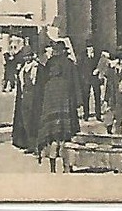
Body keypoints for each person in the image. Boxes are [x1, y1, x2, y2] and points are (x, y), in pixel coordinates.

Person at [35, 40, 81, 171]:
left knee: (53, 139)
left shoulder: (50, 64)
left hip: (51, 107)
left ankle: (53, 168)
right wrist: (79, 102)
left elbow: (42, 83)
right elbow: (76, 83)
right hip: (68, 105)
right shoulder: (70, 64)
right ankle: (67, 167)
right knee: (67, 137)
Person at [11, 47, 40, 152]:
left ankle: (35, 145)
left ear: (32, 56)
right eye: (25, 56)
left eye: (28, 56)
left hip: (32, 96)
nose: (27, 58)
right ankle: (29, 144)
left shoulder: (35, 67)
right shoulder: (23, 68)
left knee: (33, 120)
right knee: (25, 120)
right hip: (24, 97)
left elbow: (35, 82)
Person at [78, 40, 102, 121]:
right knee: (86, 97)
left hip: (95, 78)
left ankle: (98, 115)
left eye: (91, 47)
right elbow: (80, 67)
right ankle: (86, 115)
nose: (91, 49)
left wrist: (98, 70)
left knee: (97, 96)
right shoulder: (82, 55)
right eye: (89, 47)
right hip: (86, 79)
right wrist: (83, 77)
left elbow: (101, 64)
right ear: (86, 48)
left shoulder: (98, 55)